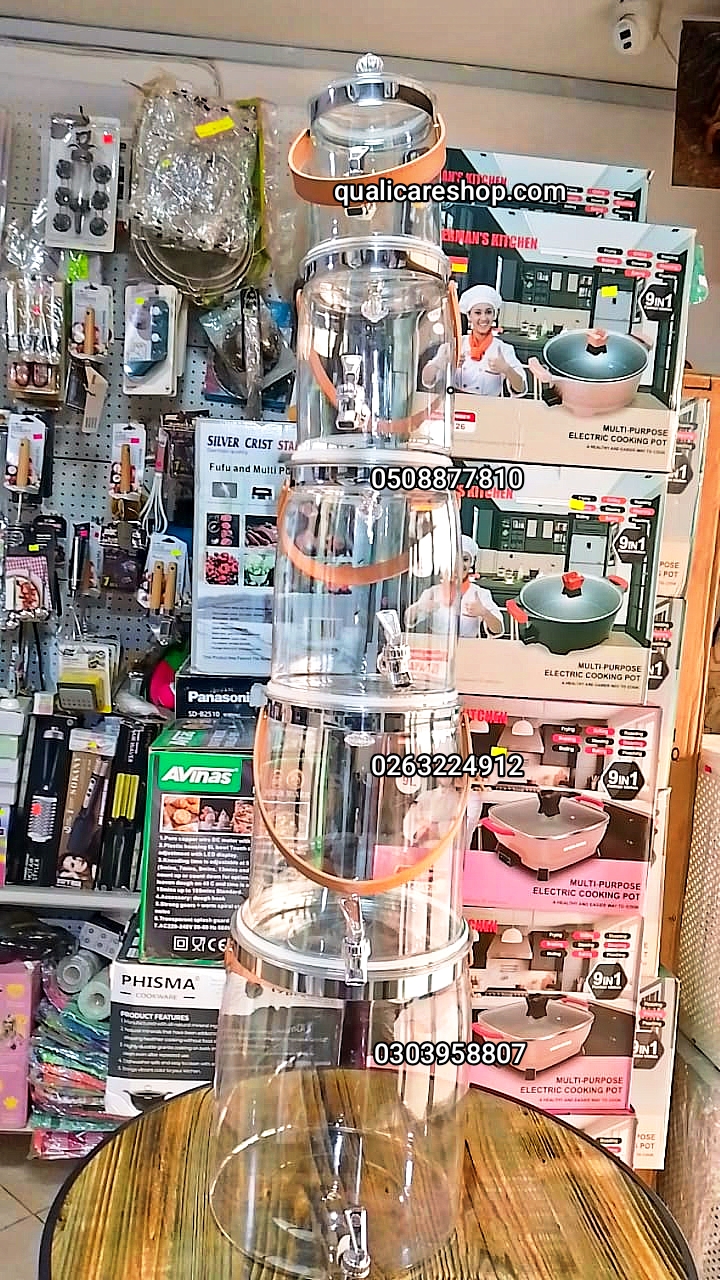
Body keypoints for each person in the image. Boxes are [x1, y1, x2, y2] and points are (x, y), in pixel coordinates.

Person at [404, 536, 504, 638]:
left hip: (468, 645)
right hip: (437, 644)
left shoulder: (480, 594)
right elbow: (408, 620)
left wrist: (484, 612)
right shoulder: (432, 593)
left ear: (471, 564)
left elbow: (498, 630)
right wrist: (420, 607)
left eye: (465, 559)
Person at [456, 284, 527, 397]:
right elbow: (428, 379)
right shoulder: (456, 344)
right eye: (478, 313)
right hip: (457, 404)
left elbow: (520, 388)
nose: (484, 318)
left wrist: (507, 369)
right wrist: (445, 363)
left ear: (494, 315)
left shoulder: (504, 349)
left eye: (488, 312)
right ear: (469, 316)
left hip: (488, 405)